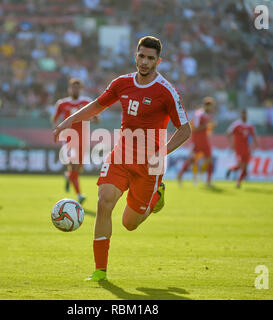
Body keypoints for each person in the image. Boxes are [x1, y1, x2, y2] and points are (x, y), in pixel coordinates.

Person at [53, 36, 191, 281]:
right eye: (142, 56)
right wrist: (67, 121)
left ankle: (156, 195)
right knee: (104, 202)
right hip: (121, 155)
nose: (145, 62)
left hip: (150, 165)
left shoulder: (166, 91)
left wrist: (163, 151)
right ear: (135, 56)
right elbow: (97, 105)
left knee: (130, 223)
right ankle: (99, 272)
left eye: (151, 58)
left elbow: (185, 129)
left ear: (158, 61)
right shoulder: (122, 83)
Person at [52, 78, 93, 204]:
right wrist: (58, 130)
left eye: (77, 87)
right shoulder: (62, 104)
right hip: (69, 138)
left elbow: (97, 116)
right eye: (73, 87)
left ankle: (68, 176)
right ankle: (79, 195)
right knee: (74, 165)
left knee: (78, 169)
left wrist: (94, 118)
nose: (75, 90)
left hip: (83, 139)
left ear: (81, 89)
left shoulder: (87, 102)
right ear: (69, 89)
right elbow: (54, 119)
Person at [177, 97, 216, 187]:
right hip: (197, 141)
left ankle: (208, 181)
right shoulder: (199, 114)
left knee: (210, 160)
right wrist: (206, 125)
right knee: (191, 160)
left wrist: (210, 127)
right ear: (206, 106)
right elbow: (195, 128)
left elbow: (206, 129)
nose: (212, 108)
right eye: (211, 106)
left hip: (205, 141)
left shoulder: (207, 116)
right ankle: (180, 174)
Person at [225, 109, 258, 188]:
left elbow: (254, 135)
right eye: (243, 114)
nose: (244, 116)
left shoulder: (250, 125)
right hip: (238, 148)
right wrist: (231, 144)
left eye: (245, 114)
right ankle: (231, 169)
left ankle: (238, 182)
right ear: (241, 115)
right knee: (241, 165)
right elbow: (228, 133)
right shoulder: (236, 124)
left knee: (245, 166)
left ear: (247, 115)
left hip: (246, 148)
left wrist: (256, 144)